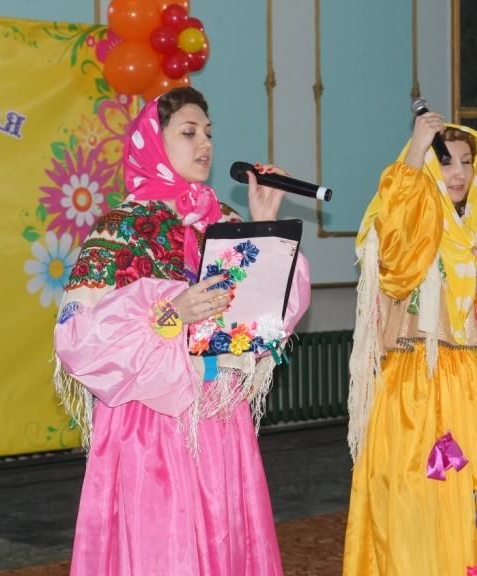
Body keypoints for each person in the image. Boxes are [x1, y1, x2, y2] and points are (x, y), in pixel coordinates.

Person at [52, 87, 311, 575]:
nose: (205, 143)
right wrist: (172, 313)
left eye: (208, 133)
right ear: (154, 141)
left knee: (224, 540)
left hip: (219, 415)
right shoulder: (119, 230)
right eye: (189, 133)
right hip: (151, 424)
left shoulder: (224, 222)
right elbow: (78, 339)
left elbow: (270, 315)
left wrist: (264, 223)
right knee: (163, 552)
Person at [343, 112, 477, 575]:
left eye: (467, 162)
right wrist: (416, 147)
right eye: (446, 161)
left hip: (475, 394)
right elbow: (396, 260)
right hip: (416, 390)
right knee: (416, 507)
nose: (459, 172)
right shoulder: (410, 231)